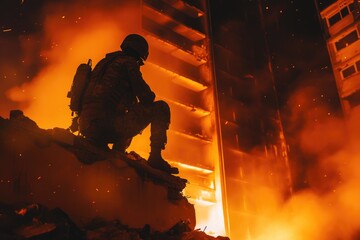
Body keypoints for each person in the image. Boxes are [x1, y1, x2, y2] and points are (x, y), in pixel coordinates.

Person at [78, 34, 178, 174]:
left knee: (125, 110)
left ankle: (116, 152)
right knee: (160, 107)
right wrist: (148, 96)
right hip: (107, 127)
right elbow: (145, 96)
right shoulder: (129, 63)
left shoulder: (104, 63)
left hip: (86, 126)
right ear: (140, 54)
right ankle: (155, 157)